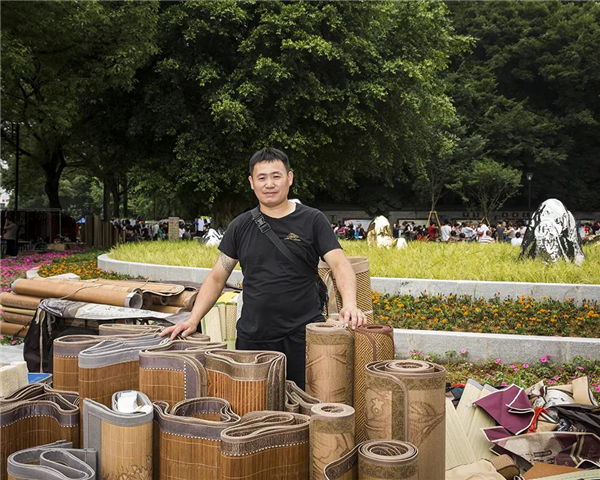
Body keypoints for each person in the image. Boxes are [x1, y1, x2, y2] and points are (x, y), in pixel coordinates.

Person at [161, 147, 366, 388]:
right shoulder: (240, 225)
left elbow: (340, 264)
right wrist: (193, 319)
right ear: (251, 182)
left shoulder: (313, 220)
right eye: (262, 177)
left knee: (304, 404)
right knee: (253, 405)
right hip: (253, 338)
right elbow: (217, 278)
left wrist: (350, 303)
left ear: (290, 178)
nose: (269, 184)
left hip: (303, 336)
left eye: (276, 176)